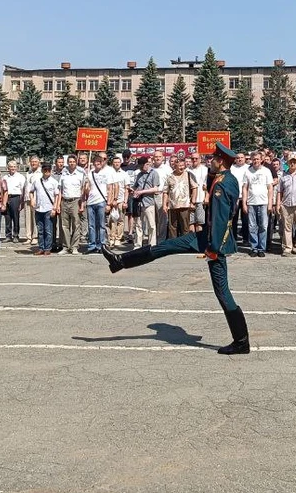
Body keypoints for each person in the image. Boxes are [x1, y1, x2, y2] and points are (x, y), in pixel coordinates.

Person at [103, 142, 250, 355]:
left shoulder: (221, 185)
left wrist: (214, 248)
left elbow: (219, 219)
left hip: (214, 242)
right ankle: (120, 262)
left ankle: (241, 341)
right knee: (165, 246)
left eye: (214, 159)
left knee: (223, 292)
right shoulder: (226, 179)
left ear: (221, 161)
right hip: (207, 238)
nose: (211, 162)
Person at [30, 162, 60, 255]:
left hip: (49, 208)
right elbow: (31, 191)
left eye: (48, 170)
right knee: (40, 230)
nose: (47, 172)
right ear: (42, 170)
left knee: (48, 230)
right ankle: (41, 247)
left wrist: (54, 208)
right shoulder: (37, 181)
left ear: (51, 171)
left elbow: (57, 195)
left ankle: (48, 248)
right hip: (39, 208)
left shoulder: (54, 182)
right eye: (45, 170)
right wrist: (32, 200)